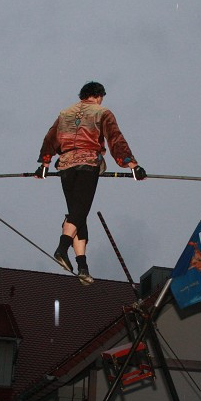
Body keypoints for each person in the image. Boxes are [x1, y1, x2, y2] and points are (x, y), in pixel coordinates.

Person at [36, 81, 146, 285]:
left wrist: (44, 164)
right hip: (87, 163)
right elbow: (115, 140)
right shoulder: (102, 112)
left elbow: (50, 139)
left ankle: (82, 266)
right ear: (98, 95)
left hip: (66, 166)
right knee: (79, 212)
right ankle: (62, 246)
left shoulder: (65, 113)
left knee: (78, 212)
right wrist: (132, 165)